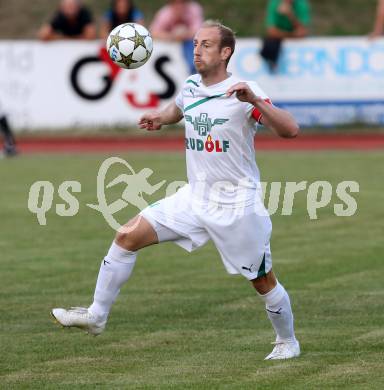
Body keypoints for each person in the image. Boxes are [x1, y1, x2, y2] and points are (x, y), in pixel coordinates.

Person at [52, 20, 301, 360]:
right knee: (126, 236)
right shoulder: (191, 85)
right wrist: (161, 117)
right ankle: (96, 315)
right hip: (193, 198)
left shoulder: (243, 91)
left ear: (226, 52)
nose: (197, 49)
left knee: (262, 281)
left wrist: (254, 99)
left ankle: (287, 341)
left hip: (236, 205)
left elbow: (290, 130)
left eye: (207, 44)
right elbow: (178, 108)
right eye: (196, 42)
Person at [150, 0, 203, 74]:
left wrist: (184, 34)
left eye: (182, 2)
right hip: (169, 47)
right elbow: (153, 32)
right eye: (175, 2)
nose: (179, 6)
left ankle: (194, 70)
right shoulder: (165, 13)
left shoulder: (194, 9)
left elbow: (198, 30)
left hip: (190, 45)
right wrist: (172, 36)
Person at [260, 0, 310, 71]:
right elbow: (271, 32)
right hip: (279, 40)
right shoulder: (274, 3)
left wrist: (290, 15)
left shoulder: (302, 4)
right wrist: (294, 35)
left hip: (280, 37)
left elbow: (303, 32)